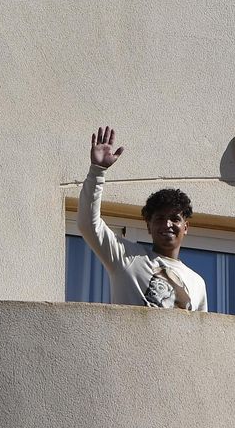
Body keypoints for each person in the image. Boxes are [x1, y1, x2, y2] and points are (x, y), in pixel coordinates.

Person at [78, 125, 208, 311]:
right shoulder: (126, 257)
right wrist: (98, 171)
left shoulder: (196, 283)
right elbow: (88, 224)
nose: (167, 224)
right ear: (148, 226)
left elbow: (198, 335)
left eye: (174, 218)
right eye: (159, 218)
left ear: (185, 227)